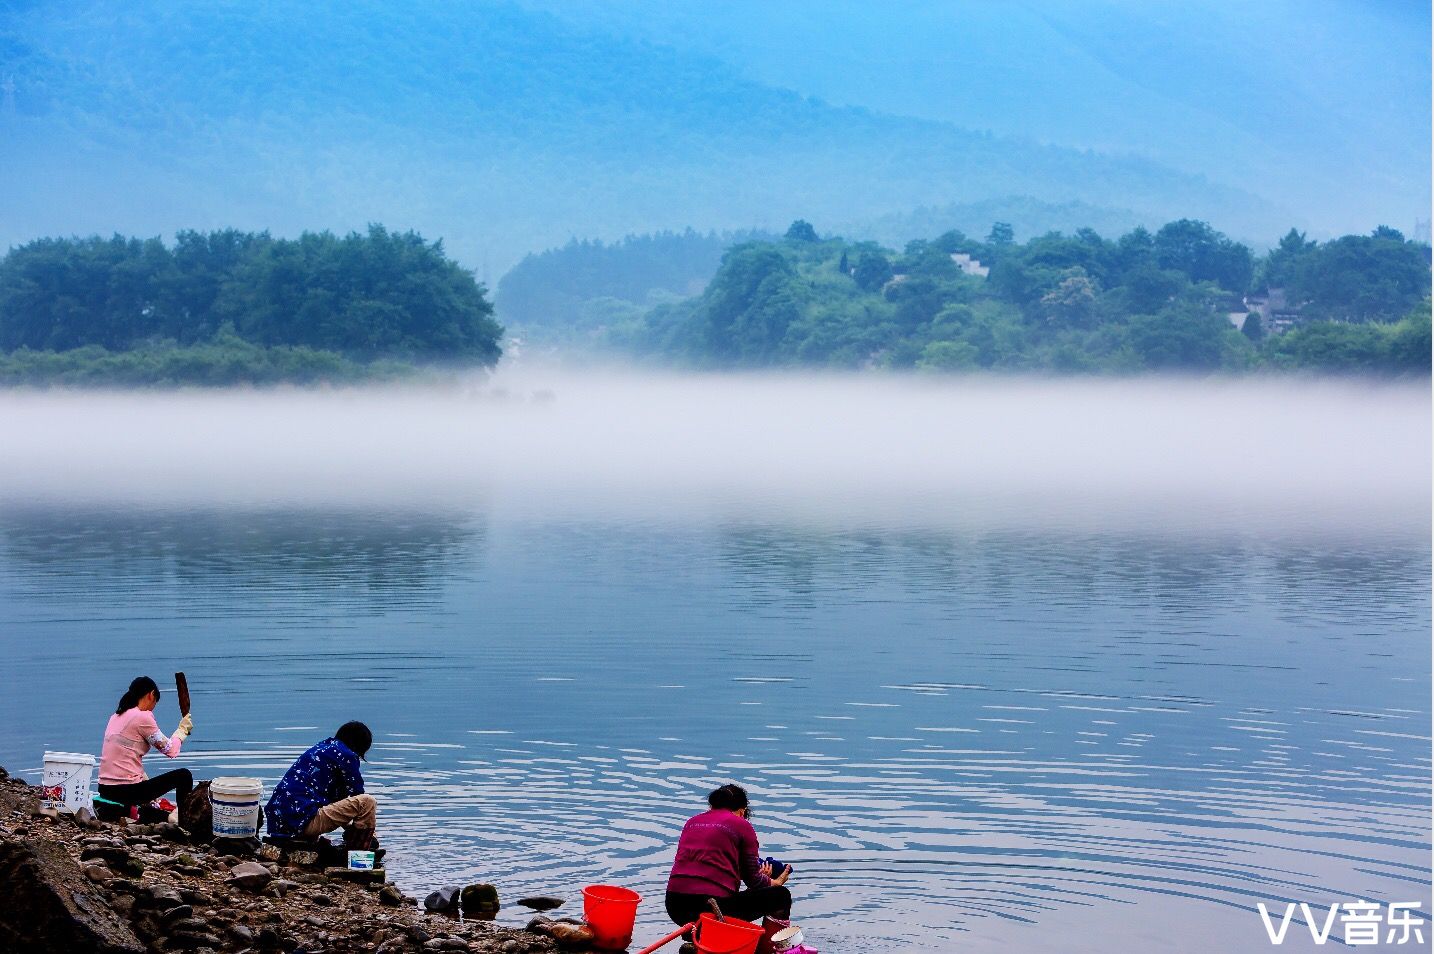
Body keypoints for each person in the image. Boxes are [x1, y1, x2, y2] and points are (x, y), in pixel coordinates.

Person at [665, 783, 793, 927]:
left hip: (674, 906)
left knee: (731, 900)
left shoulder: (692, 822)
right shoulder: (741, 825)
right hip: (710, 907)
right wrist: (773, 883)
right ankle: (773, 947)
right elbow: (753, 880)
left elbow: (710, 868)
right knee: (781, 896)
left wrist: (760, 880)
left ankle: (697, 941)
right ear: (742, 811)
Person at [265, 721, 377, 850]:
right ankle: (359, 849)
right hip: (302, 823)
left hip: (279, 824)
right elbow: (358, 795)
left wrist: (350, 826)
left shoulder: (322, 748)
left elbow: (341, 802)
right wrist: (370, 834)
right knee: (367, 802)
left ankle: (352, 837)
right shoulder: (347, 755)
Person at [98, 675, 194, 820]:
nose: (154, 706)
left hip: (104, 788)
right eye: (155, 701)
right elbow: (171, 750)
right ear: (151, 695)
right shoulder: (142, 717)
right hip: (126, 790)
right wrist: (182, 732)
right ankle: (184, 819)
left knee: (150, 807)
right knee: (184, 776)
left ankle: (148, 814)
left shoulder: (116, 716)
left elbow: (124, 755)